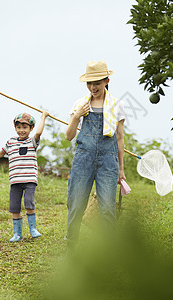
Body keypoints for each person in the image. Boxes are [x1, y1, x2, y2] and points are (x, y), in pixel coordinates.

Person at [65, 60, 126, 250]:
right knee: (76, 204)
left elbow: (120, 139)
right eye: (89, 83)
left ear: (106, 81)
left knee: (107, 207)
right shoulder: (80, 104)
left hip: (108, 161)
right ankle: (71, 247)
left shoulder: (117, 105)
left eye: (97, 83)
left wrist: (121, 170)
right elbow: (69, 136)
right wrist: (77, 116)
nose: (93, 87)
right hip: (83, 159)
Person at [0, 111, 49, 242]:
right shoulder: (10, 142)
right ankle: (17, 233)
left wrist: (43, 117)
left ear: (31, 128)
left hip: (29, 180)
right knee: (14, 206)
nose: (21, 130)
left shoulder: (32, 141)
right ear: (15, 128)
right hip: (15, 181)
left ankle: (33, 229)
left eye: (25, 127)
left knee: (29, 202)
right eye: (19, 127)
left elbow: (39, 133)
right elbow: (0, 154)